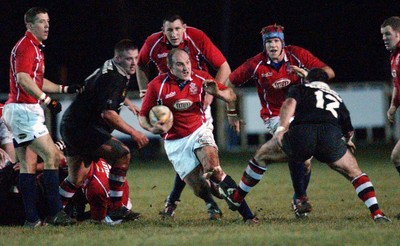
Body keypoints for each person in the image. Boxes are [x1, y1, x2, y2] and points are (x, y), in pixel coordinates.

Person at [219, 68, 391, 222]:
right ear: (325, 82)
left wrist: (281, 128)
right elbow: (348, 128)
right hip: (330, 137)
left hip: (303, 133)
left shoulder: (301, 88)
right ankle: (377, 213)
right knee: (356, 173)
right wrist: (348, 142)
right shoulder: (335, 95)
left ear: (308, 80)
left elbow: (289, 104)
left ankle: (237, 196)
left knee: (261, 156)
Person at [224, 23, 335, 217]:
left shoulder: (297, 55)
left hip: (301, 113)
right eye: (268, 42)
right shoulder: (256, 64)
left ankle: (295, 198)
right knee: (295, 144)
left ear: (282, 43)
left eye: (276, 41)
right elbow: (228, 84)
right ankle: (301, 199)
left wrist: (310, 76)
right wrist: (231, 113)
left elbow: (329, 72)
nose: (272, 45)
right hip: (274, 116)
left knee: (306, 162)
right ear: (264, 45)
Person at [139, 48, 257, 223]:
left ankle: (248, 216)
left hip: (199, 131)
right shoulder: (157, 85)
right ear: (170, 68)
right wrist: (152, 129)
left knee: (214, 170)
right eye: (180, 64)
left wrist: (218, 94)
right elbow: (142, 116)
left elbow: (231, 96)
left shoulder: (201, 77)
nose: (186, 68)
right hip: (175, 142)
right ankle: (219, 193)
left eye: (188, 62)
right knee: (202, 189)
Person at [136, 14, 233, 219]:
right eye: (169, 30)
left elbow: (224, 67)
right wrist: (145, 92)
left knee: (203, 161)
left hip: (196, 98)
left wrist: (210, 92)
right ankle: (208, 201)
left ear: (185, 28)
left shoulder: (197, 38)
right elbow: (140, 64)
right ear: (163, 31)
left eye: (178, 29)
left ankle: (177, 198)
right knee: (184, 156)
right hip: (169, 104)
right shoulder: (153, 43)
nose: (174, 34)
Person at [2, 7, 81, 227]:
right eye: (41, 22)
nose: (47, 25)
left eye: (48, 21)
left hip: (21, 111)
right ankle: (56, 213)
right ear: (29, 25)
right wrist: (47, 100)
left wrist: (64, 89)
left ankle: (33, 219)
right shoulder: (26, 46)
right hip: (24, 110)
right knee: (53, 157)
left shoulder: (35, 48)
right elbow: (23, 79)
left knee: (28, 165)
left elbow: (36, 80)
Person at [59, 39, 149, 222]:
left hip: (72, 125)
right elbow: (108, 114)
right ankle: (116, 209)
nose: (133, 63)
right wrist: (134, 132)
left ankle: (54, 212)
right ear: (118, 58)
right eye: (128, 59)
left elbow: (96, 90)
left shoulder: (111, 67)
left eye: (135, 58)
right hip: (83, 128)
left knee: (76, 177)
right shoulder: (114, 78)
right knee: (122, 153)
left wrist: (127, 103)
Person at [381, 16, 400, 219]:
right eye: (382, 35)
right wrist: (393, 106)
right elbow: (396, 85)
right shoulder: (394, 55)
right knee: (396, 157)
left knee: (397, 156)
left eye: (388, 33)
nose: (385, 38)